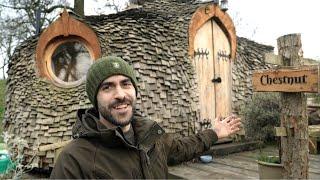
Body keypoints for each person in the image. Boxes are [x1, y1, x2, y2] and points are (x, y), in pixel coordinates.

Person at [50, 56, 241, 179]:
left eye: (125, 84)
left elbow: (181, 149)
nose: (120, 94)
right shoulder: (74, 160)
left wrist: (215, 132)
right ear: (95, 98)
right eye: (107, 87)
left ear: (134, 89)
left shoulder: (150, 136)